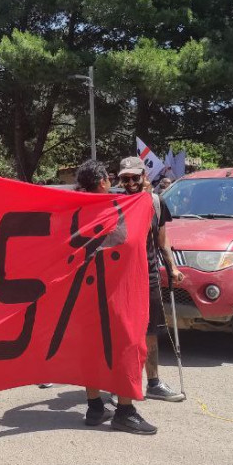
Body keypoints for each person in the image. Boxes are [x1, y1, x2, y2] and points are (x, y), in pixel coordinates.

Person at [76, 159, 160, 435]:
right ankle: (124, 411)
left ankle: (95, 407)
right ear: (103, 182)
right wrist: (144, 195)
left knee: (91, 348)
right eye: (110, 178)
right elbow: (126, 238)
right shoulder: (115, 208)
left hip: (84, 291)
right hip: (115, 290)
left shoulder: (74, 207)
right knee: (129, 343)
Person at [117, 157, 187, 403]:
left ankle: (154, 382)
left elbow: (162, 240)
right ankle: (123, 385)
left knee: (150, 331)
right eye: (125, 178)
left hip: (147, 274)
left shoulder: (156, 202)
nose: (130, 183)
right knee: (125, 333)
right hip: (121, 278)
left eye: (135, 177)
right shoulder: (115, 204)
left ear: (144, 176)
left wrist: (173, 266)